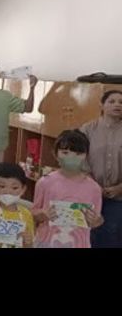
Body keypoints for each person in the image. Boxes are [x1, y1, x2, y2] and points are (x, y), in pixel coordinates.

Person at [32, 130, 103, 248]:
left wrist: (95, 220)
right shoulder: (45, 182)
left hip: (79, 243)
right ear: (56, 154)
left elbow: (97, 219)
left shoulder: (94, 188)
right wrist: (44, 214)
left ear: (86, 155)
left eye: (78, 154)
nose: (71, 158)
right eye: (65, 152)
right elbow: (33, 214)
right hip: (47, 242)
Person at [80, 89, 122, 248]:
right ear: (102, 105)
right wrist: (92, 184)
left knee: (113, 233)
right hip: (90, 192)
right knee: (90, 233)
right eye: (112, 101)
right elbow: (80, 157)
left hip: (119, 196)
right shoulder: (88, 129)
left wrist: (119, 188)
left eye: (121, 102)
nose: (117, 105)